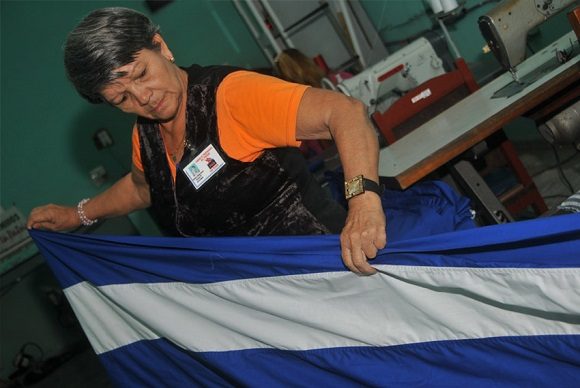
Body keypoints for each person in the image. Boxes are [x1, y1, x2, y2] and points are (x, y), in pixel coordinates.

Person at [26, 7, 386, 275]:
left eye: (142, 74)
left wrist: (363, 204)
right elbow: (142, 188)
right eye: (122, 99)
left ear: (161, 47)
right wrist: (78, 214)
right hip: (259, 288)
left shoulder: (230, 96)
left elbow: (347, 113)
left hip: (326, 266)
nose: (144, 98)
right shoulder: (145, 134)